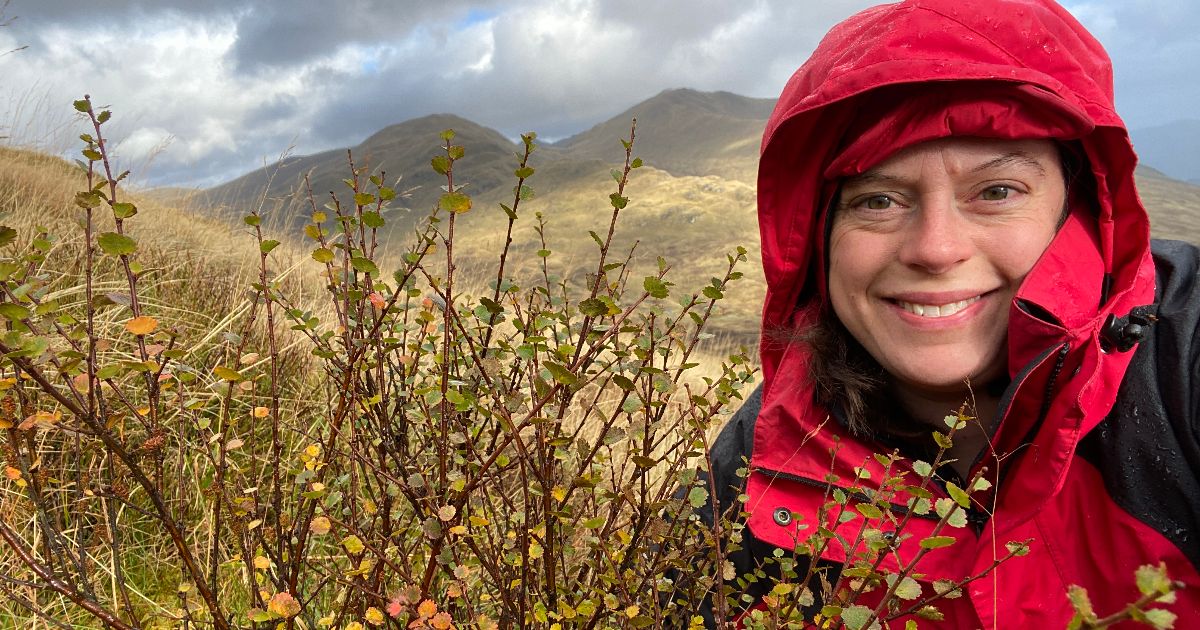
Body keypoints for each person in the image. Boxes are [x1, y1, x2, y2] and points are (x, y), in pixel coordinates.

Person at [701, 0, 1200, 626]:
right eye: (878, 200)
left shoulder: (1184, 360)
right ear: (818, 239)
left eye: (996, 192)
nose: (935, 249)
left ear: (1079, 208)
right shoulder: (770, 457)